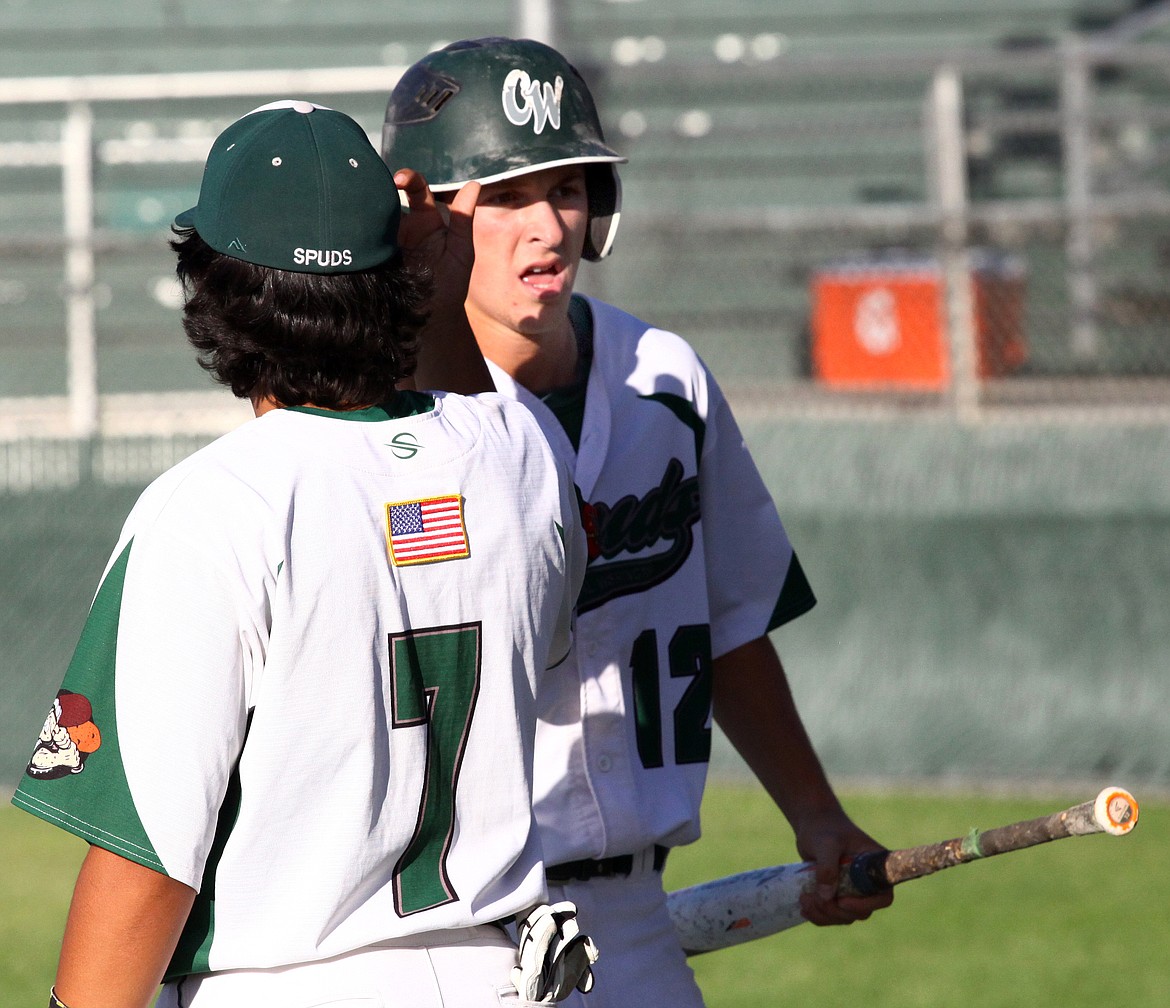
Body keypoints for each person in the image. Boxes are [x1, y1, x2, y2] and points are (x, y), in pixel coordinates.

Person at [12, 99, 597, 1008]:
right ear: (396, 271)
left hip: (285, 984)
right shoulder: (522, 455)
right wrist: (429, 276)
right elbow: (458, 450)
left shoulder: (211, 508)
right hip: (500, 970)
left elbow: (149, 859)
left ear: (208, 287)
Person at [381, 37, 895, 1007]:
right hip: (447, 926)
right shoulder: (386, 416)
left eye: (569, 189)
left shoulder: (664, 376)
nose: (549, 226)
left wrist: (815, 814)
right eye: (506, 195)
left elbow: (730, 623)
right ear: (424, 215)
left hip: (632, 918)